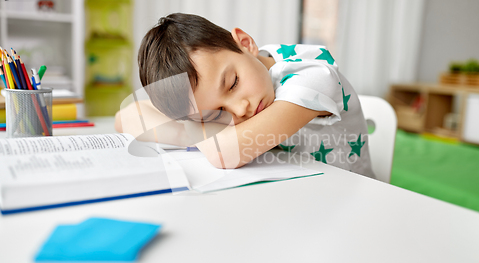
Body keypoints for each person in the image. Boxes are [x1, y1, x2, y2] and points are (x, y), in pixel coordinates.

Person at [115, 13, 375, 178]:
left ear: (245, 43)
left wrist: (190, 128)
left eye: (233, 84)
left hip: (351, 201)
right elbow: (125, 117)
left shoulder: (314, 75)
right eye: (216, 113)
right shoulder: (244, 70)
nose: (238, 110)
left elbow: (224, 153)